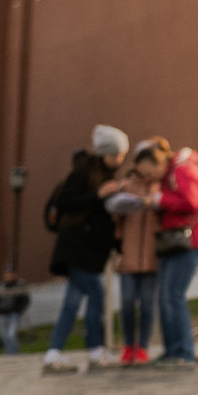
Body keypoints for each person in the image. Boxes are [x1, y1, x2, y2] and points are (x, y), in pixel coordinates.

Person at [41, 140, 121, 371]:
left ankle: (53, 353)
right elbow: (65, 202)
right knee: (97, 293)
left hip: (88, 251)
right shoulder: (83, 174)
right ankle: (95, 350)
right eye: (115, 154)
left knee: (72, 303)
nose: (119, 160)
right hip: (77, 248)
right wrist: (98, 194)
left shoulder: (108, 176)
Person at [102, 140, 169, 364]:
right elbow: (114, 215)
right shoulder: (126, 185)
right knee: (128, 302)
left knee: (148, 303)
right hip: (129, 254)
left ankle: (143, 346)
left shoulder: (162, 187)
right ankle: (128, 344)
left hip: (152, 255)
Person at [152, 144, 198, 365]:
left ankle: (184, 352)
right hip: (174, 241)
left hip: (191, 241)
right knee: (166, 296)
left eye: (150, 171)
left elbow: (191, 201)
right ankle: (172, 350)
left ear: (159, 162)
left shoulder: (182, 170)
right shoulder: (171, 173)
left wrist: (160, 200)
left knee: (174, 296)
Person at [0, 271, 31, 355]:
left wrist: (19, 310)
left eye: (10, 275)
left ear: (14, 275)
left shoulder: (19, 285)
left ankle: (14, 353)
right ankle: (8, 354)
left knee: (11, 334)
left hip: (14, 314)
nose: (8, 277)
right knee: (5, 335)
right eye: (6, 275)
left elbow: (25, 299)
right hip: (3, 314)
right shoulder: (1, 286)